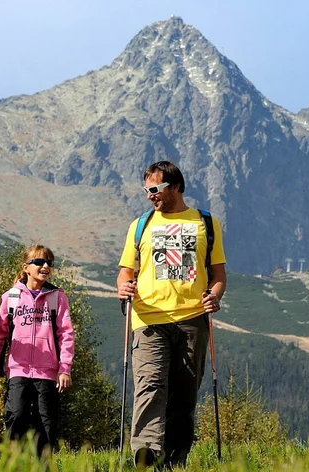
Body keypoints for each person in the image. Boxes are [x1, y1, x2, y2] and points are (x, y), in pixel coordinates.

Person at [116, 161, 227, 470]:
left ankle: (176, 460)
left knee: (185, 393)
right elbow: (126, 271)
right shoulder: (140, 225)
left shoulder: (206, 223)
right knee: (150, 386)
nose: (150, 196)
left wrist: (214, 297)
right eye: (146, 190)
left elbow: (218, 274)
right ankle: (146, 458)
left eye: (155, 189)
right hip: (148, 318)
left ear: (175, 186)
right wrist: (123, 287)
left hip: (192, 319)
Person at [0, 244, 75, 455]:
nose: (45, 266)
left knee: (45, 424)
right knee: (16, 416)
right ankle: (12, 464)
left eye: (49, 263)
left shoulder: (57, 297)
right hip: (17, 370)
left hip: (48, 372)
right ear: (26, 267)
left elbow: (66, 334)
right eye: (39, 262)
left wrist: (64, 369)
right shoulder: (11, 297)